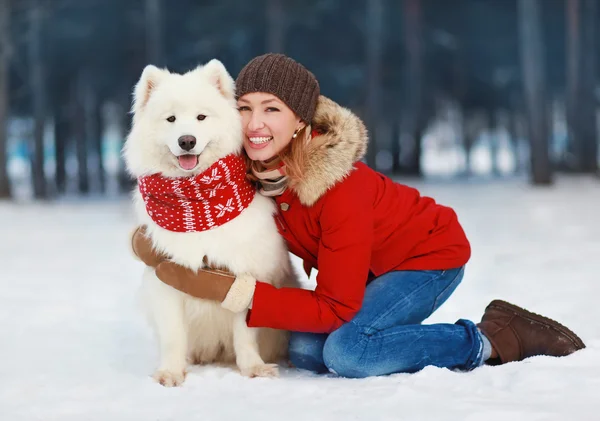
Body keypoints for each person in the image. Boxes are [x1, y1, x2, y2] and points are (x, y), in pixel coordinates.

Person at [130, 53, 585, 378]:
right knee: (307, 353)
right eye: (245, 109)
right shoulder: (249, 170)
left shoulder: (338, 186)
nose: (254, 124)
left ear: (301, 121)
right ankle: (389, 327)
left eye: (272, 110)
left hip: (428, 257)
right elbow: (197, 212)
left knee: (350, 353)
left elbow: (335, 306)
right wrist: (150, 241)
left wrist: (236, 292)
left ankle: (493, 337)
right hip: (363, 269)